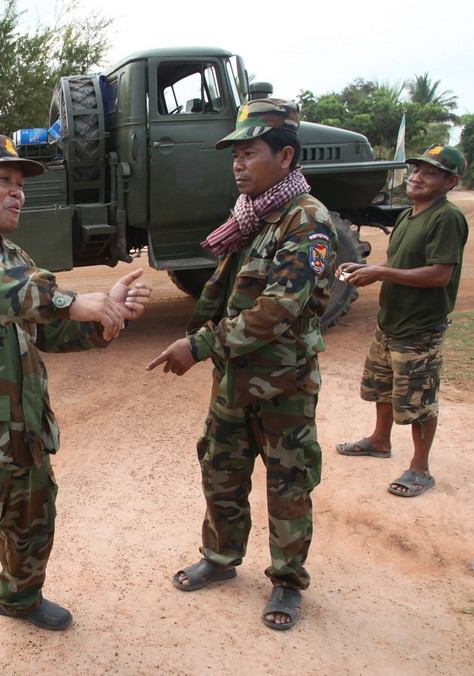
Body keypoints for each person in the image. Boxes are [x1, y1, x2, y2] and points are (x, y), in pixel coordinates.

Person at [0, 134, 151, 675]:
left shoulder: (14, 256)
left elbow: (50, 331)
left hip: (26, 438)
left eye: (21, 186)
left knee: (33, 533)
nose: (18, 195)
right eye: (4, 182)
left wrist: (106, 319)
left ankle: (22, 599)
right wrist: (69, 299)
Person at [146, 99, 336, 631]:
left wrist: (199, 345)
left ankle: (287, 582)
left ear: (286, 156)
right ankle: (222, 558)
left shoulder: (307, 222)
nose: (237, 164)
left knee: (288, 480)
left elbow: (278, 309)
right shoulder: (251, 216)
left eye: (249, 152)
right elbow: (226, 294)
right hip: (233, 379)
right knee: (221, 471)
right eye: (234, 153)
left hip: (283, 383)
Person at [335, 144, 469, 498]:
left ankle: (420, 469)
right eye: (416, 170)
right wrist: (369, 269)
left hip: (420, 327)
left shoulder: (447, 217)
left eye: (430, 173)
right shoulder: (412, 214)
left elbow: (440, 274)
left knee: (419, 401)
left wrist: (380, 272)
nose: (417, 177)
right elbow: (404, 267)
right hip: (391, 321)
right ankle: (380, 440)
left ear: (450, 181)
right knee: (384, 386)